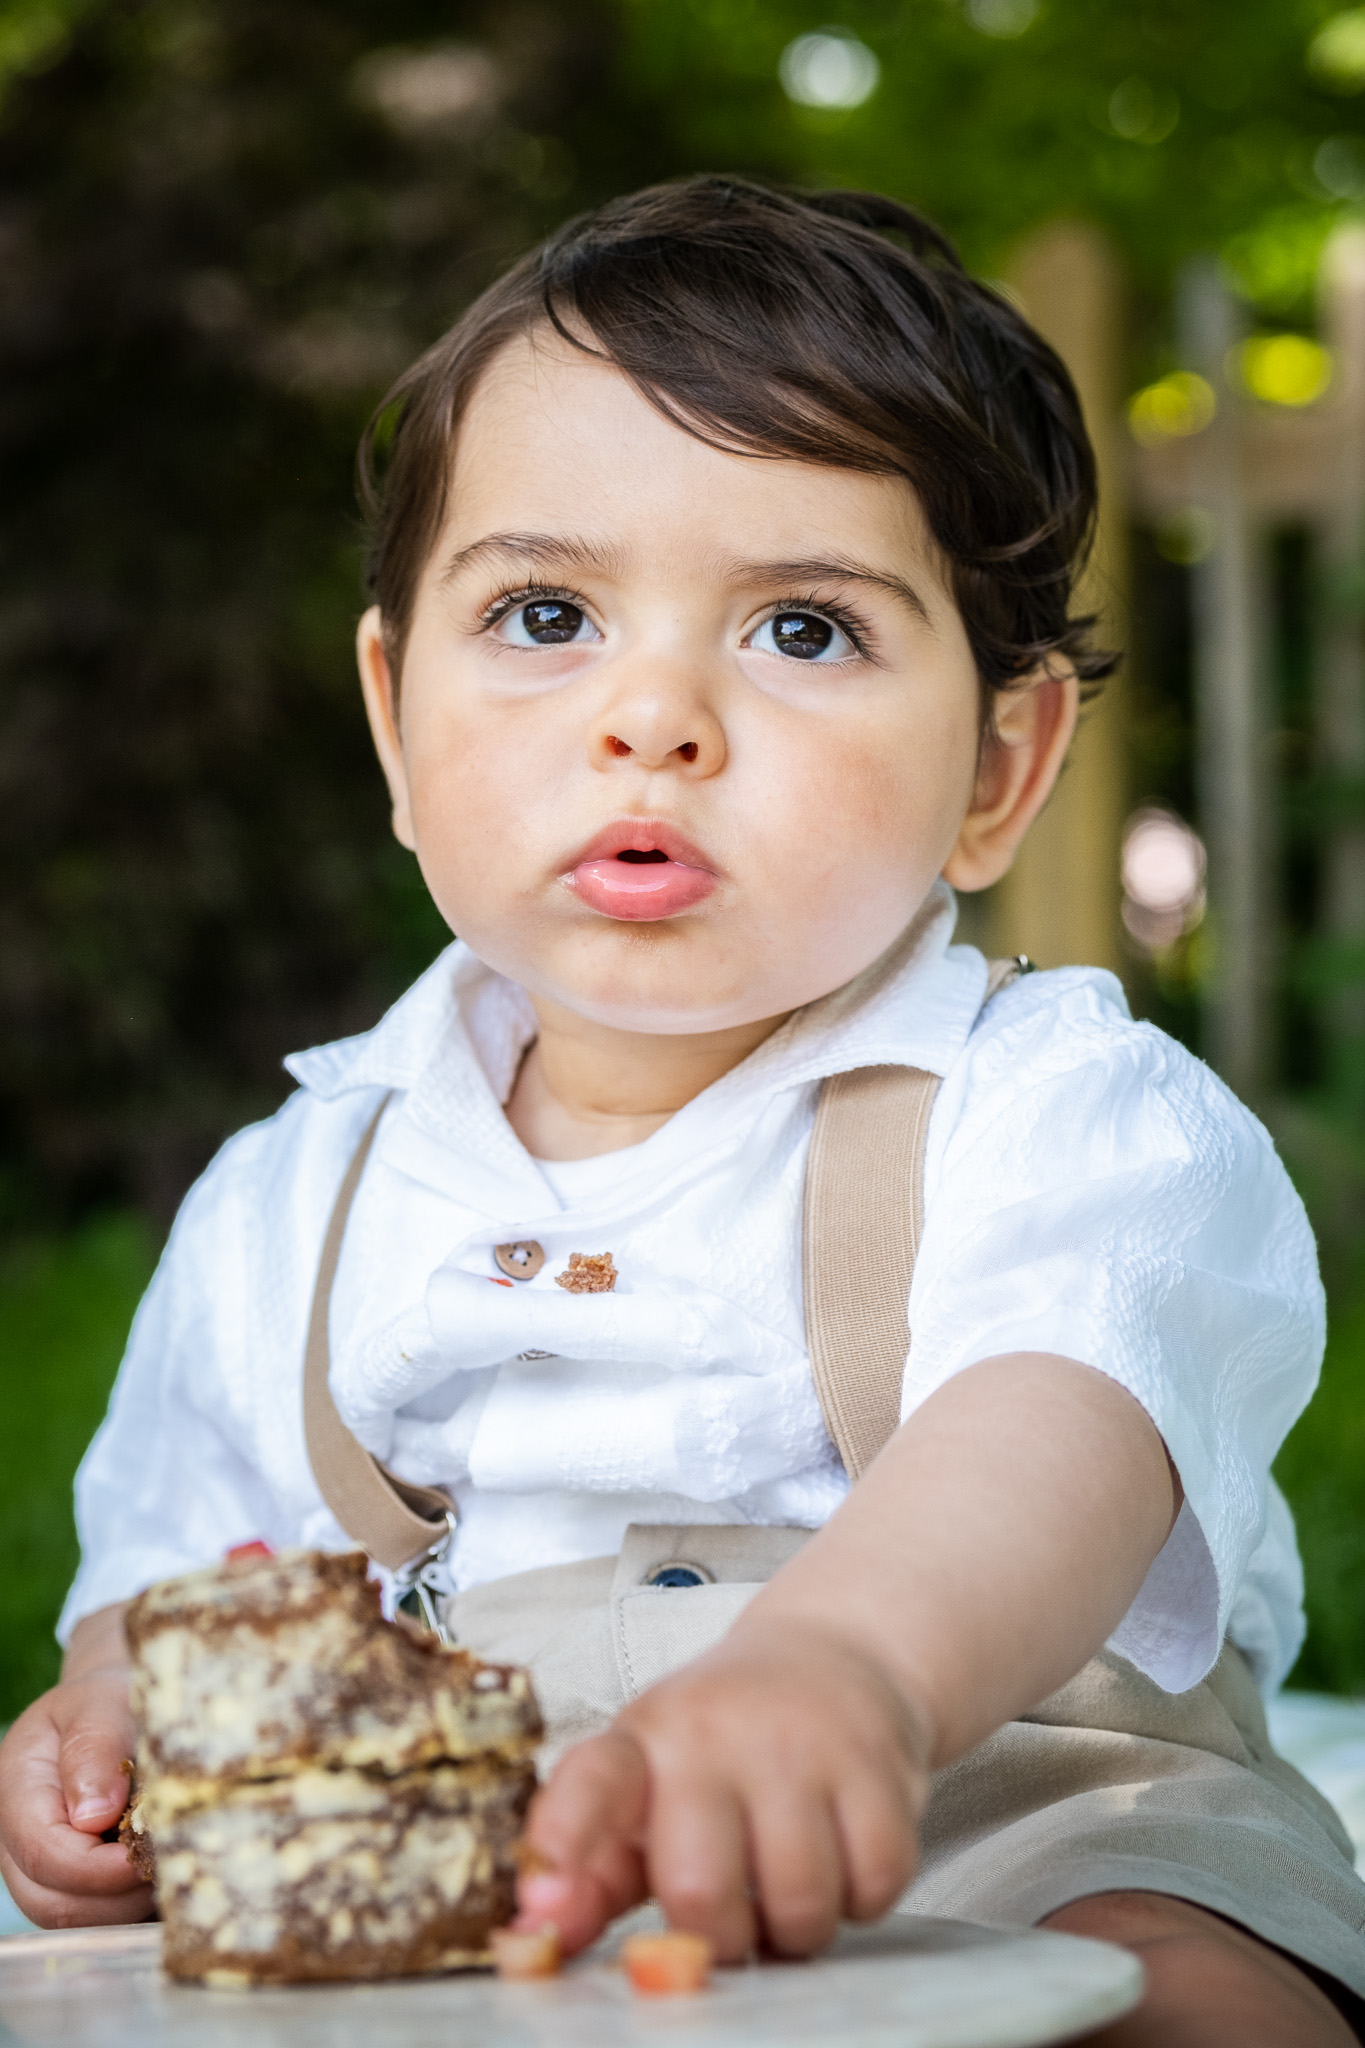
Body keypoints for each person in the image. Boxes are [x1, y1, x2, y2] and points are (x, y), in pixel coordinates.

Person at [0, 177, 1361, 2045]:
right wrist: (112, 1717)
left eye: (800, 631)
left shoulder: (1061, 1110)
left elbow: (1060, 1428)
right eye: (545, 612)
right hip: (484, 1890)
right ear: (394, 722)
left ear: (999, 765)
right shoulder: (296, 1195)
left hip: (1006, 1810)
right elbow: (180, 1572)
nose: (652, 717)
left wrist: (851, 1667)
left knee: (1173, 1989)